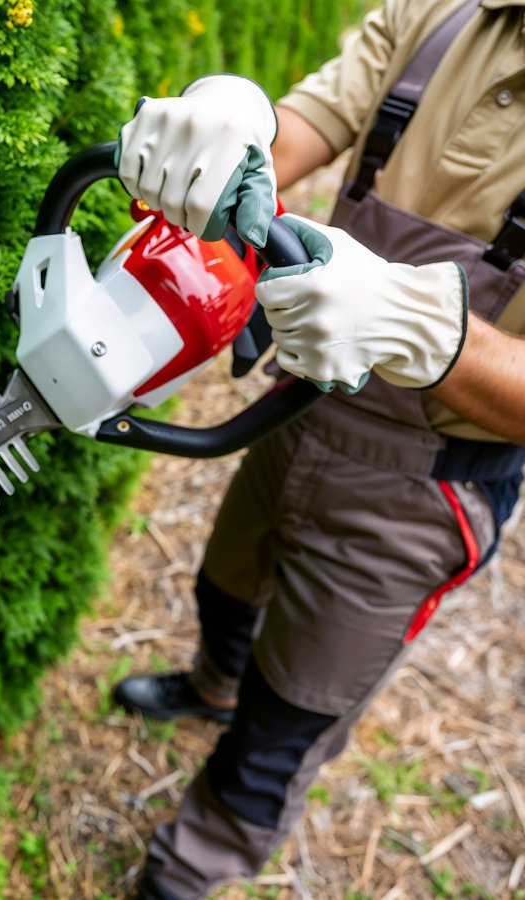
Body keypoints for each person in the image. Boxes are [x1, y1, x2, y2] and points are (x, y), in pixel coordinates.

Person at [109, 0, 525, 896]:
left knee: (290, 712)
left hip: (426, 480)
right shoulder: (449, 15)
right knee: (226, 582)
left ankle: (190, 866)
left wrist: (432, 331)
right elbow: (309, 123)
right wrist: (232, 129)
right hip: (304, 403)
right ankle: (210, 683)